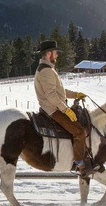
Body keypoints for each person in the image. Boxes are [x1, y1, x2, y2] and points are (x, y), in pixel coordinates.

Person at [33, 40, 93, 177]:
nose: (57, 56)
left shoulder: (46, 68)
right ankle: (80, 164)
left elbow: (59, 91)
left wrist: (75, 94)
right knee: (79, 132)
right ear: (48, 54)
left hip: (54, 107)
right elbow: (51, 95)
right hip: (53, 110)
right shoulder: (46, 71)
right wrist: (66, 110)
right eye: (55, 53)